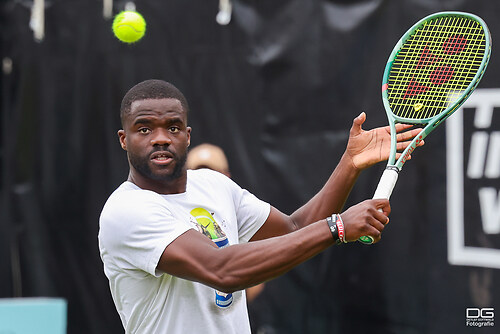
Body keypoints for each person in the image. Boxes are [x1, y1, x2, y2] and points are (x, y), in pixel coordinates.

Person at [98, 79, 422, 333]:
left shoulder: (213, 185)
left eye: (172, 127)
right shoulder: (126, 211)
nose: (160, 138)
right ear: (124, 139)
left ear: (187, 135)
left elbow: (295, 229)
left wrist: (350, 164)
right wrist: (336, 227)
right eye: (144, 129)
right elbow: (221, 269)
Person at [186, 143, 264, 303]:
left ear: (225, 177)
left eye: (211, 173)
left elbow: (254, 284)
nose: (203, 179)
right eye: (196, 172)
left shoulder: (243, 217)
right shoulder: (171, 216)